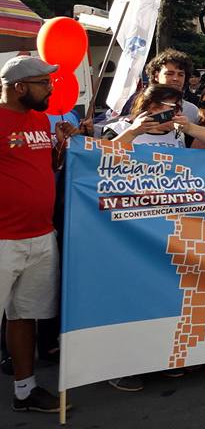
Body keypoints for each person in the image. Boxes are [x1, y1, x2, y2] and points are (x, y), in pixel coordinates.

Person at [0, 56, 77, 412]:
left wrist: (59, 146)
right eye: (43, 83)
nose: (50, 89)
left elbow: (47, 167)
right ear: (20, 87)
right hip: (4, 239)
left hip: (41, 236)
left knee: (24, 316)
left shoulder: (40, 120)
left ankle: (25, 390)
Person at [105, 86, 205, 149]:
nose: (178, 112)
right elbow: (99, 155)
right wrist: (132, 132)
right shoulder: (120, 128)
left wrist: (189, 127)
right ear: (152, 106)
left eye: (179, 107)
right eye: (175, 106)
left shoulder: (179, 133)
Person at [144, 49, 200, 123]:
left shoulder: (192, 111)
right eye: (169, 74)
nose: (175, 78)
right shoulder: (141, 104)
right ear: (156, 76)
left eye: (180, 75)